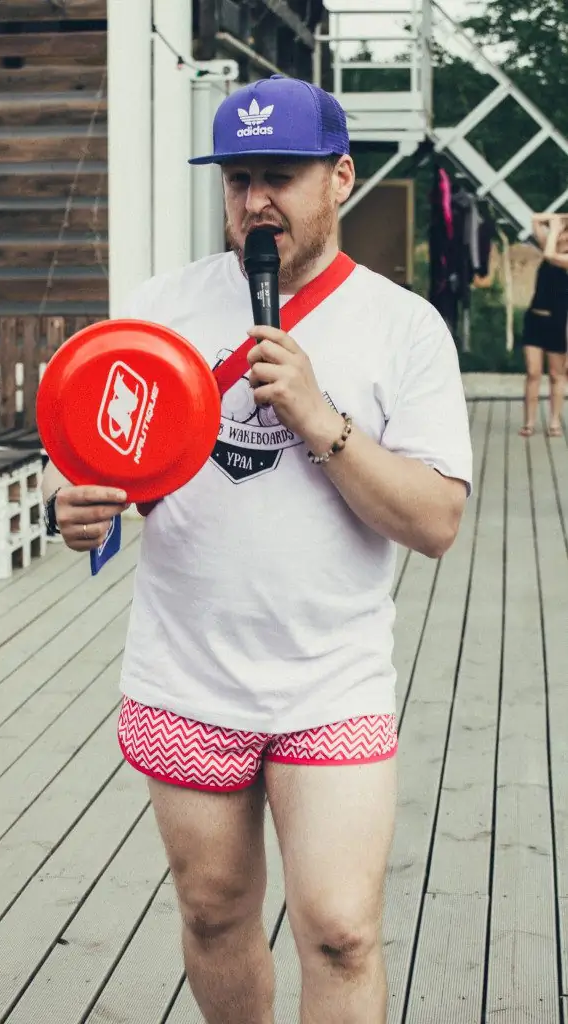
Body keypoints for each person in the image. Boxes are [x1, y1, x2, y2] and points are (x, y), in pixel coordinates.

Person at [41, 75, 473, 1024]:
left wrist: (320, 417)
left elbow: (436, 522)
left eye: (280, 176)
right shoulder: (161, 308)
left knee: (342, 930)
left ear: (341, 177)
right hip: (186, 672)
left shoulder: (404, 327)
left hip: (331, 680)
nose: (255, 203)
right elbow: (100, 467)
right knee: (212, 913)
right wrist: (76, 509)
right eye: (238, 180)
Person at [519, 212, 568, 438]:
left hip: (557, 321)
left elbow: (549, 255)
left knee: (557, 375)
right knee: (533, 372)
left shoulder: (562, 258)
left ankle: (554, 421)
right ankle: (529, 422)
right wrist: (562, 217)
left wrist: (555, 229)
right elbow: (535, 219)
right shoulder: (549, 245)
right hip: (534, 319)